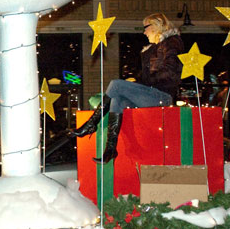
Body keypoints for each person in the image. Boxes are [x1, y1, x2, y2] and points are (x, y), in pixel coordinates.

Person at [68, 13, 183, 163]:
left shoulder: (171, 43)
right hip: (151, 93)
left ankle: (91, 124)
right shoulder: (152, 49)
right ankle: (110, 149)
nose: (144, 32)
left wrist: (141, 83)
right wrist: (136, 82)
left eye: (146, 28)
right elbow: (148, 76)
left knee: (116, 84)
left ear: (156, 25)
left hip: (161, 96)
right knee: (118, 99)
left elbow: (169, 72)